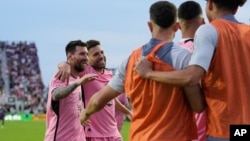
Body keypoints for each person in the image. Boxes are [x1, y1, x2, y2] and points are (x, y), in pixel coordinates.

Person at [79, 1, 206, 141]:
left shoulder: (130, 60)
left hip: (140, 136)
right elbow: (198, 105)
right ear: (177, 27)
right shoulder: (183, 57)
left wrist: (85, 113)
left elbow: (98, 100)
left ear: (150, 26)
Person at [134, 0, 250, 141]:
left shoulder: (209, 30)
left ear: (211, 4)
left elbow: (191, 77)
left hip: (223, 128)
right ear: (236, 9)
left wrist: (149, 73)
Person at [57, 39, 131, 141]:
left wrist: (129, 113)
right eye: (96, 54)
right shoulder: (86, 71)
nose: (101, 56)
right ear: (88, 58)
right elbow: (65, 64)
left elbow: (110, 100)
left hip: (113, 133)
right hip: (93, 134)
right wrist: (64, 65)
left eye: (102, 52)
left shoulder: (109, 74)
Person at [44, 40, 97, 141]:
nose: (86, 57)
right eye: (82, 54)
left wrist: (81, 113)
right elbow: (56, 94)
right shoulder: (62, 75)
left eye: (86, 54)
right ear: (70, 57)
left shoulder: (78, 77)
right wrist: (78, 83)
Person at [177, 1, 206, 141]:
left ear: (178, 25)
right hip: (208, 130)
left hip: (177, 131)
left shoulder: (166, 54)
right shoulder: (210, 52)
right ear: (203, 22)